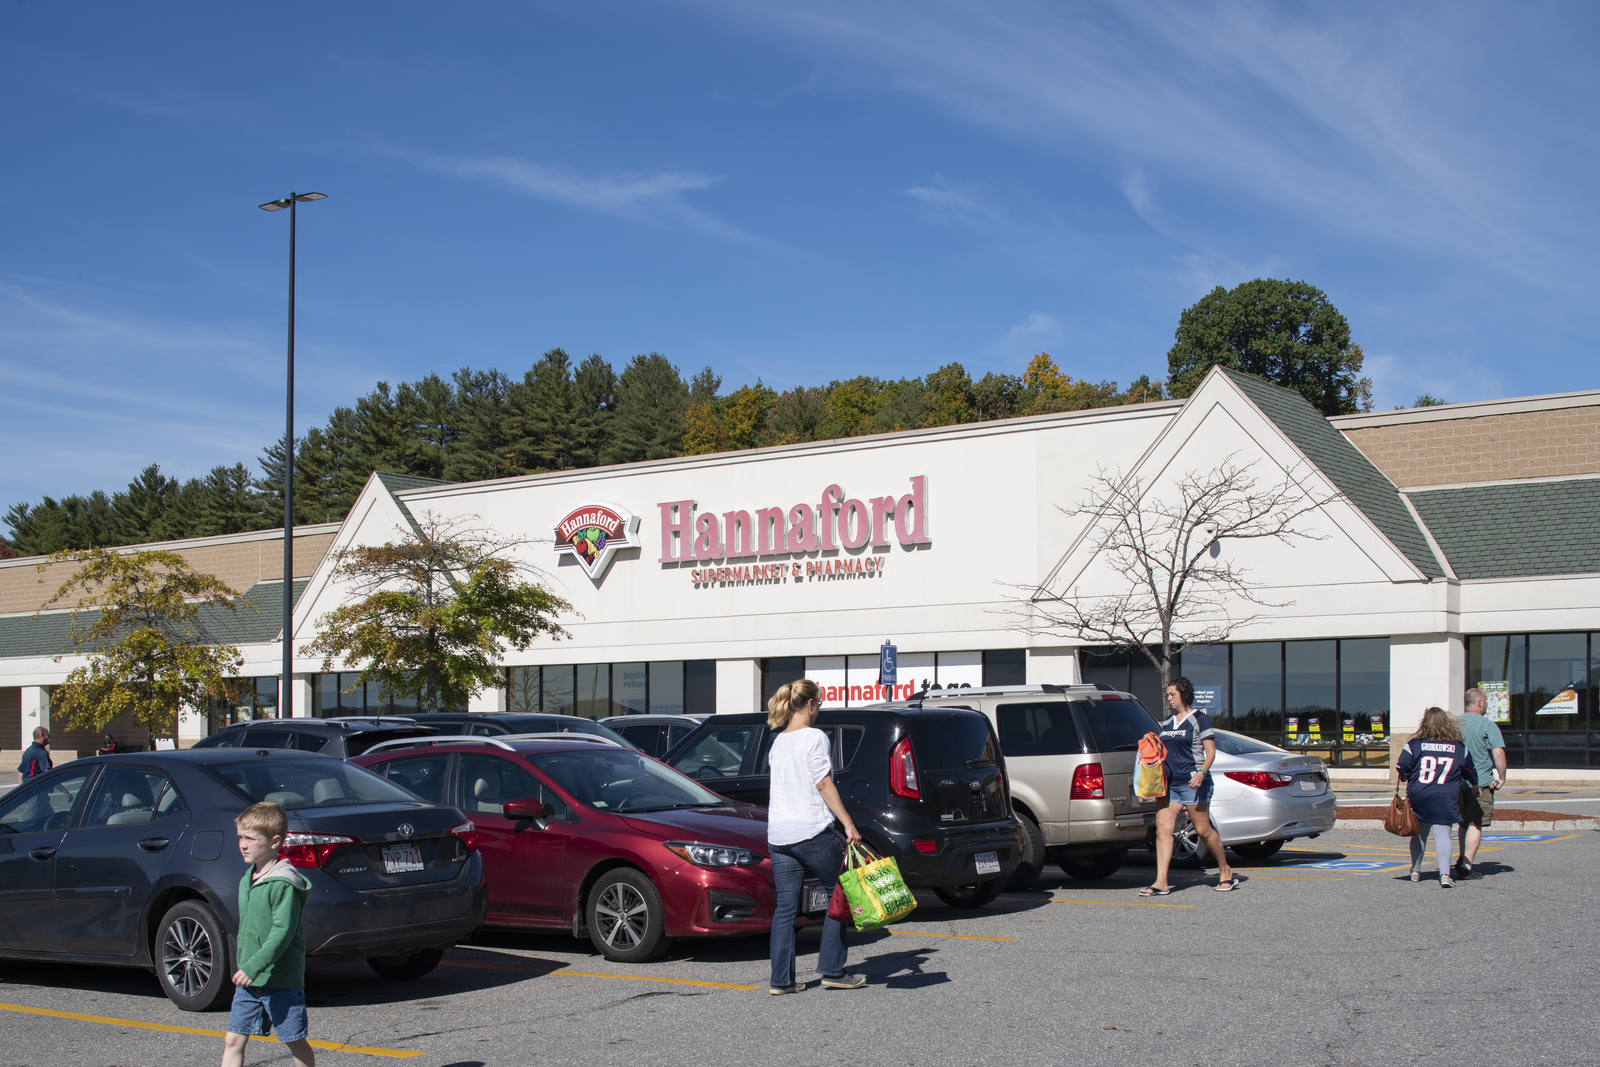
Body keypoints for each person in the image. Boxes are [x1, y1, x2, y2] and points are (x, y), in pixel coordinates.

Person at [765, 679, 867, 994]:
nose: (819, 709)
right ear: (810, 704)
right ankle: (832, 970)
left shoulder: (778, 741)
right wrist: (847, 823)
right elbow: (823, 784)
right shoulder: (815, 738)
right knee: (842, 893)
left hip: (779, 835)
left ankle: (781, 980)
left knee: (785, 906)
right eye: (819, 704)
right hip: (810, 831)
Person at [222, 802, 315, 1067]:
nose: (243, 844)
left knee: (294, 1040)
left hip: (281, 979)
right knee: (233, 1040)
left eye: (250, 838)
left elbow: (282, 932)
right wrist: (247, 964)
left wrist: (254, 964)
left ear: (275, 842)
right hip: (250, 981)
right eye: (240, 837)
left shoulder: (284, 883)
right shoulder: (248, 878)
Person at [1143, 677, 1238, 895]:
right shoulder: (1166, 723)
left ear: (1183, 695)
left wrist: (1202, 773)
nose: (1168, 698)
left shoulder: (1199, 719)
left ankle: (1225, 870)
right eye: (1167, 694)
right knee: (1163, 831)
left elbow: (1210, 752)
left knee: (1203, 830)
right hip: (1170, 785)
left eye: (1172, 694)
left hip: (1193, 783)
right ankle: (1161, 881)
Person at [1396, 706, 1478, 889]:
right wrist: (1475, 786)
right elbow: (1470, 770)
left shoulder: (1414, 745)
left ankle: (1415, 871)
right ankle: (1445, 875)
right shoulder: (1458, 747)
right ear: (1447, 723)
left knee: (1419, 833)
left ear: (1424, 723)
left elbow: (1401, 766)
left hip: (1419, 793)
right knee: (1442, 834)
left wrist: (1407, 777)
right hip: (1445, 795)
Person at [1454, 687, 1506, 879]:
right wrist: (1501, 776)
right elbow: (1498, 753)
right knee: (1476, 822)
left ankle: (1461, 858)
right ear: (1481, 703)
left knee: (1462, 823)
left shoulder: (1453, 724)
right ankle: (1466, 864)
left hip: (1456, 783)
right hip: (1481, 783)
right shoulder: (1487, 724)